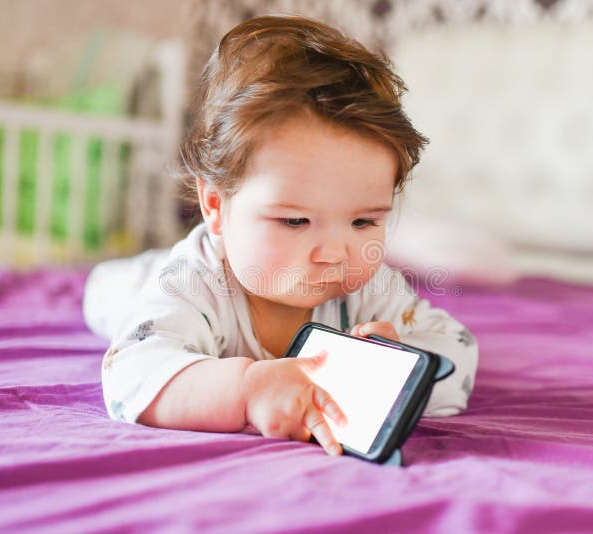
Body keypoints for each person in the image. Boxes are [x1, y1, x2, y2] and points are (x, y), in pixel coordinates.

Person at [83, 15, 478, 457]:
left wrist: (402, 362)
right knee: (117, 292)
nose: (335, 254)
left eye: (363, 222)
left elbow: (459, 354)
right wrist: (247, 390)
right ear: (215, 206)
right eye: (294, 222)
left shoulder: (370, 290)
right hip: (137, 283)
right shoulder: (193, 284)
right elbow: (131, 375)